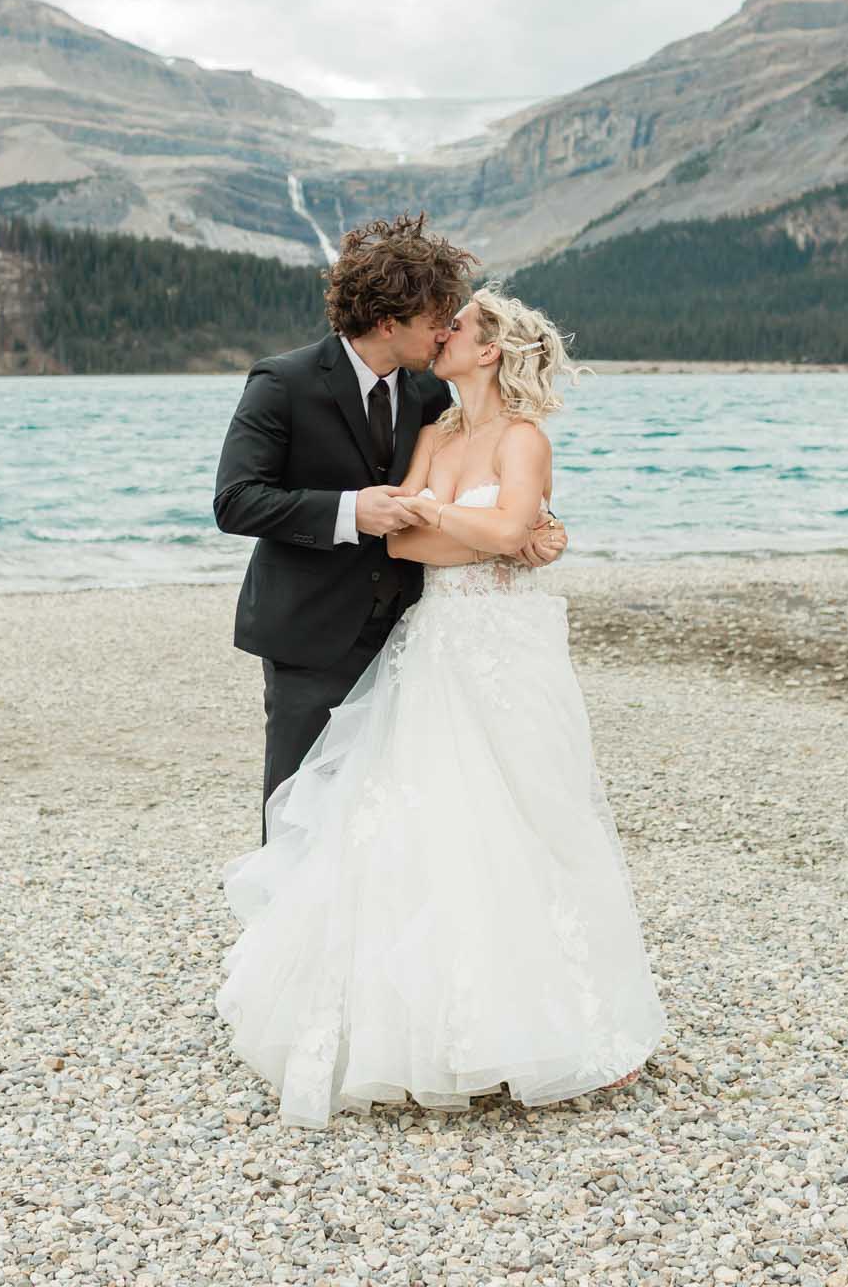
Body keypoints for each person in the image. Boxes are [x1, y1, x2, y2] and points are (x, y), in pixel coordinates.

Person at [214, 285, 666, 1128]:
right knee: (423, 817)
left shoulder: (522, 436)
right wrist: (488, 528)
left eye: (457, 326)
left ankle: (562, 1022)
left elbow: (505, 533)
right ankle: (410, 1020)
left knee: (533, 812)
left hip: (508, 646)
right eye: (438, 322)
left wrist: (491, 526)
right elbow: (405, 537)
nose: (443, 333)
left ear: (490, 351)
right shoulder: (431, 424)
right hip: (436, 641)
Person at [213, 213, 567, 845]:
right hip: (311, 631)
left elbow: (490, 478)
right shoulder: (283, 382)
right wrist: (349, 511)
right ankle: (284, 940)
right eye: (436, 319)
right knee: (297, 809)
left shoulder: (433, 399)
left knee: (395, 819)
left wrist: (537, 528)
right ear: (388, 323)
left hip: (414, 633)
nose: (442, 334)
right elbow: (237, 501)